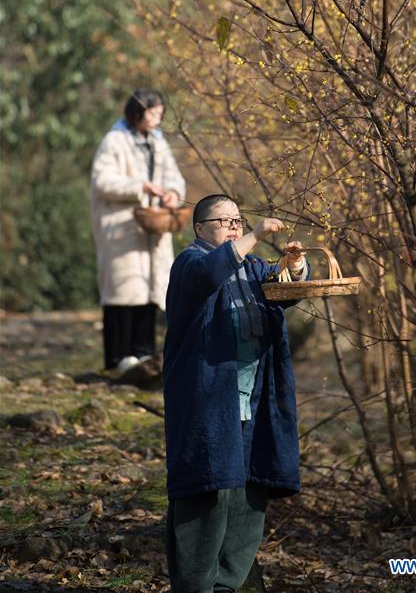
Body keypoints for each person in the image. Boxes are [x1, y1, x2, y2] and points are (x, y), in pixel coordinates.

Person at [163, 193, 310, 593]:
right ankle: (195, 586)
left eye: (237, 220)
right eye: (223, 220)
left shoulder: (254, 268)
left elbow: (290, 289)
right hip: (207, 402)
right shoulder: (190, 264)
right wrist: (257, 233)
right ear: (199, 229)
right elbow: (212, 273)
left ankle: (229, 584)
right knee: (208, 491)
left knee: (249, 491)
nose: (233, 226)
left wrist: (295, 264)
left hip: (255, 400)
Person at [90, 88, 186, 372]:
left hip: (152, 227)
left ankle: (143, 353)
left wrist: (171, 193)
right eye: (152, 113)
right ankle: (118, 358)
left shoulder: (158, 142)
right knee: (122, 291)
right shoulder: (114, 141)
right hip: (120, 227)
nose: (157, 119)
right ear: (136, 112)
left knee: (149, 289)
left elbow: (174, 177)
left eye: (160, 114)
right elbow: (102, 182)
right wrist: (139, 187)